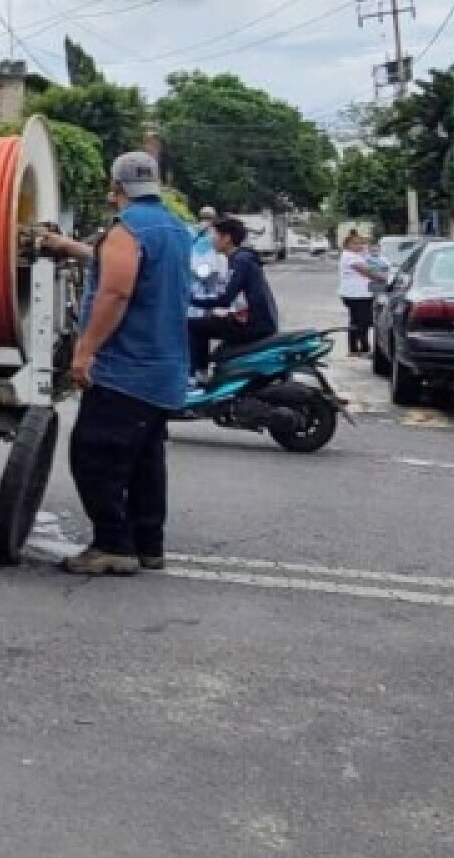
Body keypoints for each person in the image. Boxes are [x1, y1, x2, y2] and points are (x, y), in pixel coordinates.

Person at [32, 151, 193, 576]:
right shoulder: (175, 229)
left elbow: (115, 292)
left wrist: (84, 352)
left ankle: (113, 545)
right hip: (163, 370)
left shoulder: (128, 229)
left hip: (127, 370)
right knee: (144, 460)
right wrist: (67, 247)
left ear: (116, 187)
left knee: (93, 454)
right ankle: (147, 545)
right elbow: (129, 268)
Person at [186, 216, 279, 376]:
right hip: (254, 320)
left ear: (227, 238)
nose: (211, 240)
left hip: (253, 325)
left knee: (192, 326)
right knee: (208, 322)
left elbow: (225, 298)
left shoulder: (240, 261)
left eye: (214, 235)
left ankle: (198, 375)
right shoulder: (240, 258)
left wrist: (189, 299)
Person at [335, 231, 386, 355]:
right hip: (356, 295)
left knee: (357, 321)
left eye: (361, 243)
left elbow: (372, 262)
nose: (359, 246)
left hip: (358, 294)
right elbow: (366, 271)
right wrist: (384, 279)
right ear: (347, 245)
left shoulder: (356, 255)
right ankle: (363, 348)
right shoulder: (349, 256)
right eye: (355, 243)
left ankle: (355, 348)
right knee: (362, 322)